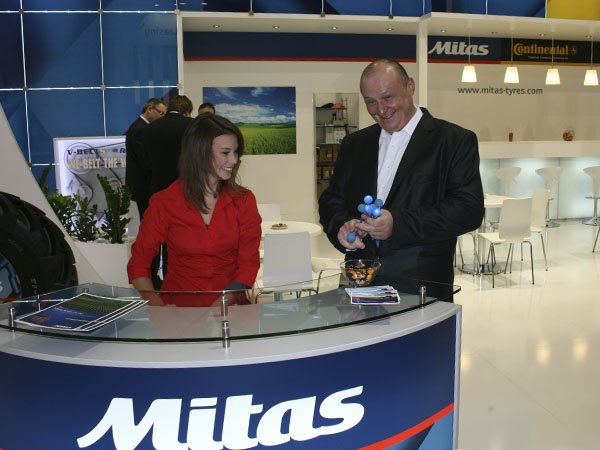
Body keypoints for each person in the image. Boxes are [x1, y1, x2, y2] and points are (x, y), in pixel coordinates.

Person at [318, 59, 484, 300]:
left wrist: (397, 224)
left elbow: (468, 210)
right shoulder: (355, 144)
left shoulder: (454, 141)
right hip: (358, 285)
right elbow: (331, 199)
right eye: (370, 101)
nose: (380, 109)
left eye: (388, 97)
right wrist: (341, 227)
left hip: (421, 290)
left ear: (410, 87)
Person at [127, 113, 262, 306]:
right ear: (200, 153)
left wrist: (220, 305)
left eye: (236, 152)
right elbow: (139, 262)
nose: (234, 160)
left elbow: (248, 264)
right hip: (179, 311)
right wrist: (158, 309)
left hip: (230, 309)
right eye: (225, 153)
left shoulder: (244, 200)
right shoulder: (165, 202)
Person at [141, 95, 195, 289]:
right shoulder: (192, 126)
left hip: (157, 189)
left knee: (157, 236)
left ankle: (157, 280)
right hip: (186, 191)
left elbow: (146, 163)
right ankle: (176, 281)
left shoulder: (150, 129)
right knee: (181, 238)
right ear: (187, 111)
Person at [124, 98, 167, 218]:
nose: (162, 117)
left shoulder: (141, 126)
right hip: (142, 182)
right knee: (147, 217)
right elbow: (144, 159)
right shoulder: (140, 129)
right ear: (149, 109)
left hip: (143, 182)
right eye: (161, 113)